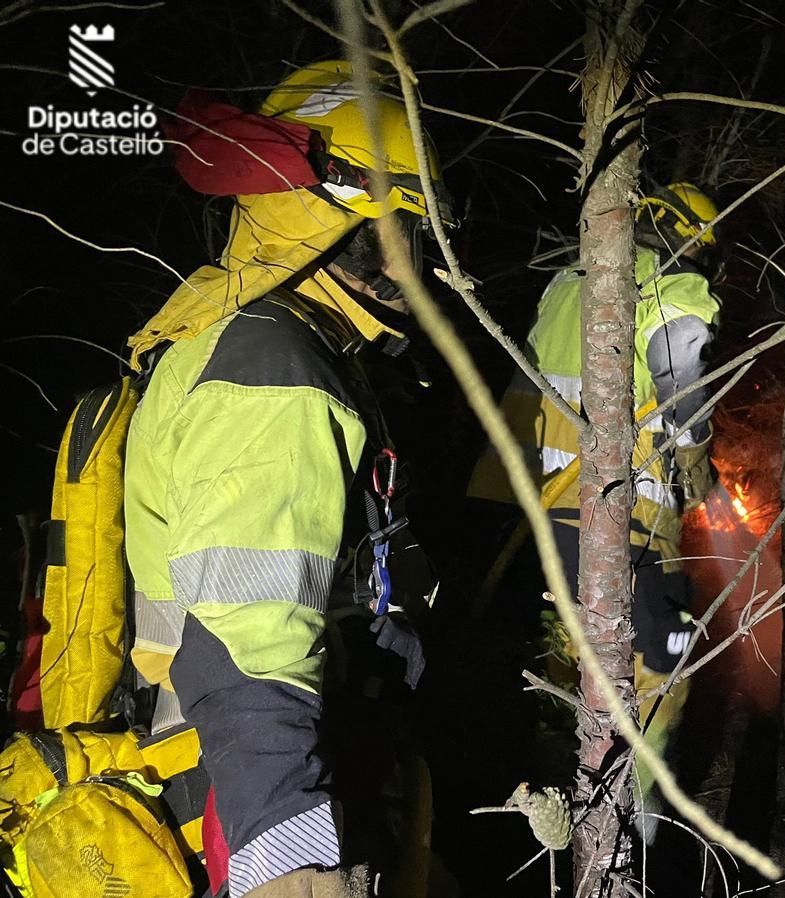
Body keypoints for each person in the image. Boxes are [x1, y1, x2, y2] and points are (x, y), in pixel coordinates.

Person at [124, 60, 447, 898]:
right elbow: (245, 644)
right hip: (261, 790)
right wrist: (293, 869)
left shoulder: (268, 342)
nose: (423, 266)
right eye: (403, 232)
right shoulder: (277, 377)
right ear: (328, 221)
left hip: (278, 756)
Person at [467, 182, 723, 822]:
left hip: (550, 517)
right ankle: (632, 830)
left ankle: (558, 807)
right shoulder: (673, 284)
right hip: (627, 521)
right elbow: (680, 369)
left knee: (567, 669)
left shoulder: (564, 287)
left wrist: (497, 503)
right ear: (691, 240)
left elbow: (523, 396)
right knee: (656, 678)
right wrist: (694, 454)